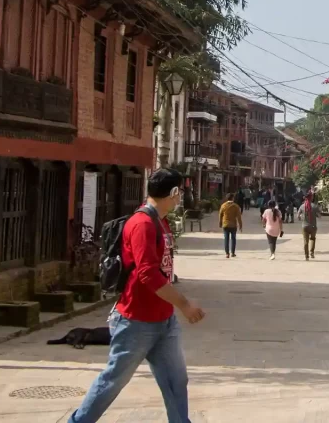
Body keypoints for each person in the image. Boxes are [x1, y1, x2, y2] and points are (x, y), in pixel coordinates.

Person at [69, 168, 205, 423]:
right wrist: (184, 304)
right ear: (174, 193)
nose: (181, 198)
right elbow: (148, 274)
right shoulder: (142, 224)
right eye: (180, 192)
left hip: (164, 320)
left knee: (176, 380)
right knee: (113, 381)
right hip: (136, 321)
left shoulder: (161, 222)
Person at [218, 193, 242, 259]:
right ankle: (233, 253)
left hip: (225, 224)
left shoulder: (223, 205)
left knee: (226, 239)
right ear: (233, 198)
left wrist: (220, 223)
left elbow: (220, 215)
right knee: (233, 239)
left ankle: (227, 254)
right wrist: (240, 225)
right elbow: (239, 217)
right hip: (233, 225)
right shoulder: (236, 206)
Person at [297, 191, 319, 260]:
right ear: (311, 198)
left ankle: (306, 256)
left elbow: (298, 216)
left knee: (305, 241)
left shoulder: (302, 206)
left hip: (304, 226)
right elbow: (319, 215)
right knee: (312, 238)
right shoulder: (314, 206)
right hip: (313, 226)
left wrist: (301, 218)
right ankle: (311, 252)